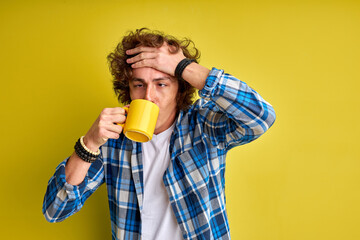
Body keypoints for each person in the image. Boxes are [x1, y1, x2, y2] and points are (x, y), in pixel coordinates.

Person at [42, 28, 276, 240]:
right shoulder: (111, 141)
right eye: (139, 84)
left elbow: (261, 117)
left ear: (180, 89)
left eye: (162, 84)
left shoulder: (204, 126)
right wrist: (89, 143)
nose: (148, 97)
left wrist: (183, 66)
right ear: (128, 88)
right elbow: (55, 209)